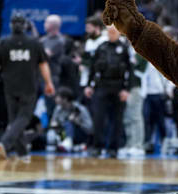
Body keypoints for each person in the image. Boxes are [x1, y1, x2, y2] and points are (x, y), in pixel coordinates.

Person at [0, 14, 55, 157]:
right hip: (28, 86)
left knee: (15, 119)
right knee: (24, 118)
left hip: (9, 86)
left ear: (11, 25)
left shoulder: (4, 43)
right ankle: (5, 143)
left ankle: (21, 151)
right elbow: (43, 64)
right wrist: (49, 83)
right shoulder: (35, 43)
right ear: (25, 26)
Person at [84, 25, 132, 158]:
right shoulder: (101, 47)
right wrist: (89, 86)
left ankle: (113, 149)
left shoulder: (124, 49)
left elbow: (131, 71)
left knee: (117, 120)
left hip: (118, 87)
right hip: (102, 86)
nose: (111, 34)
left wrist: (126, 90)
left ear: (119, 33)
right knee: (98, 119)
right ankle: (97, 147)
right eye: (109, 32)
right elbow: (93, 69)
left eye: (114, 32)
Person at [48, 86, 93, 152]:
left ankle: (68, 144)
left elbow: (90, 129)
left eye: (58, 97)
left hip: (80, 134)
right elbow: (53, 122)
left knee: (69, 123)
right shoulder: (58, 108)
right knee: (48, 134)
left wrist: (78, 122)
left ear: (65, 99)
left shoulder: (80, 109)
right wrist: (55, 125)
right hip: (63, 133)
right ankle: (67, 145)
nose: (55, 99)